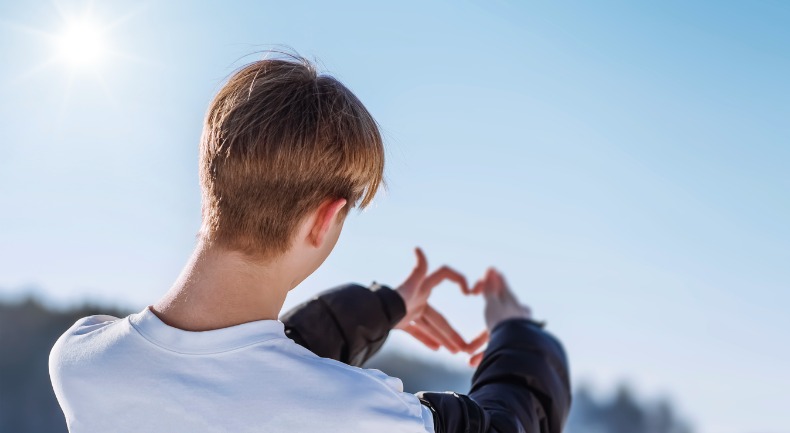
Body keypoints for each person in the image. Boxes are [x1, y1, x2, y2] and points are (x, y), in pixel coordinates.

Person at [49, 53, 571, 433]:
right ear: (326, 220)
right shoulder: (361, 414)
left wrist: (385, 307)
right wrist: (517, 332)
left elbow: (239, 373)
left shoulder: (81, 358)